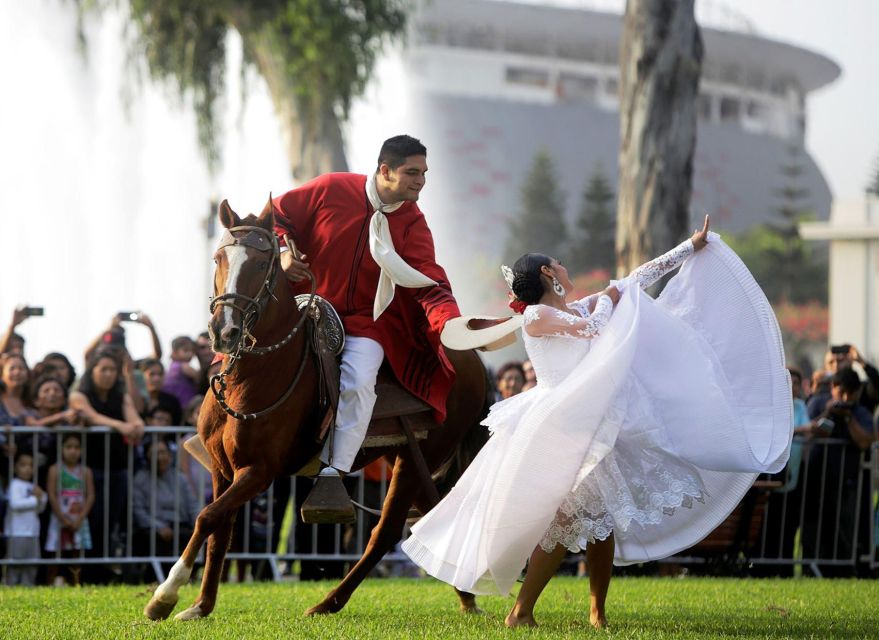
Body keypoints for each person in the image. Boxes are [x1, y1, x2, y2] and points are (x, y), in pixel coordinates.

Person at [402, 217, 792, 628]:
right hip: (561, 426)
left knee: (601, 522)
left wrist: (688, 248)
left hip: (591, 424)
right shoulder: (536, 316)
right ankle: (521, 612)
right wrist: (608, 297)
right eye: (559, 264)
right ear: (548, 274)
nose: (566, 269)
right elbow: (592, 328)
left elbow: (637, 278)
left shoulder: (571, 307)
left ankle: (597, 614)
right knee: (569, 520)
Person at [272, 134, 460, 475]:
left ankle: (334, 474)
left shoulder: (414, 222)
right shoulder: (330, 188)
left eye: (424, 173)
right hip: (306, 308)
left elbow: (427, 281)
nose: (421, 181)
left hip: (368, 323)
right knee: (252, 350)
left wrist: (451, 322)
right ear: (385, 171)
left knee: (359, 382)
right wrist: (284, 252)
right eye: (413, 172)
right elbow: (276, 214)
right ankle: (220, 431)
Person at [69, 348, 144, 577]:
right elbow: (91, 416)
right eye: (103, 369)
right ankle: (86, 570)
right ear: (92, 371)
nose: (108, 374)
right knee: (92, 520)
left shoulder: (120, 396)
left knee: (111, 520)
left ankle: (101, 570)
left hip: (118, 468)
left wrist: (134, 425)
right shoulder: (79, 394)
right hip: (90, 469)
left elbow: (136, 421)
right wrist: (120, 426)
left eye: (112, 370)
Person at [132, 439, 199, 561]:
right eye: (155, 453)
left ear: (169, 454)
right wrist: (158, 526)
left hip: (180, 524)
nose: (160, 458)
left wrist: (199, 524)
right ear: (147, 457)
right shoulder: (140, 480)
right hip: (154, 528)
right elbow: (138, 511)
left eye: (163, 452)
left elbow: (193, 505)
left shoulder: (180, 478)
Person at [44, 433, 94, 586]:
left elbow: (90, 495)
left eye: (77, 447)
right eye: (68, 447)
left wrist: (80, 518)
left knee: (77, 552)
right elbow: (51, 494)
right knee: (55, 552)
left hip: (79, 516)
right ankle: (50, 583)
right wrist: (62, 517)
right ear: (61, 449)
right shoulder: (55, 469)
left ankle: (75, 583)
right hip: (60, 515)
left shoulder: (85, 471)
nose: (73, 451)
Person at [4, 451, 47, 585]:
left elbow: (41, 508)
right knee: (16, 563)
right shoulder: (14, 484)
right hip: (17, 532)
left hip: (32, 532)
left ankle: (28, 586)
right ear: (15, 467)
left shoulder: (32, 486)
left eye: (31, 465)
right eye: (23, 465)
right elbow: (15, 504)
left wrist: (41, 498)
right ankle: (11, 586)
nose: (28, 468)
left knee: (32, 564)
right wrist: (36, 499)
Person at [138, 358, 182, 426]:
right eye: (151, 374)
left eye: (160, 374)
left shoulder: (172, 401)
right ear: (142, 376)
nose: (157, 378)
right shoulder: (135, 399)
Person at [161, 336, 200, 409]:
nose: (190, 354)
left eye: (192, 351)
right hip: (186, 405)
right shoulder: (184, 366)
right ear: (175, 352)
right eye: (186, 350)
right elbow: (200, 378)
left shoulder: (171, 366)